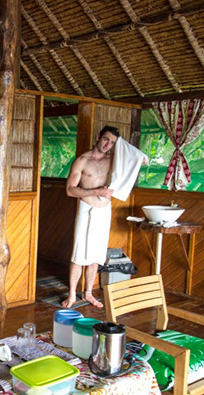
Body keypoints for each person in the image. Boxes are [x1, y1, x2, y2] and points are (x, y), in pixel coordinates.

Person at [61, 125, 120, 309]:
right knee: (79, 254)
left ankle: (88, 293)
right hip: (87, 208)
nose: (107, 145)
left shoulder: (113, 161)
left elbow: (131, 166)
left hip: (104, 210)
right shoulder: (82, 161)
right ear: (98, 136)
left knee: (96, 255)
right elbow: (70, 190)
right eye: (105, 139)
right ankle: (72, 295)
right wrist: (96, 191)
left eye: (111, 143)